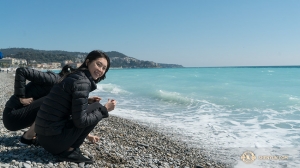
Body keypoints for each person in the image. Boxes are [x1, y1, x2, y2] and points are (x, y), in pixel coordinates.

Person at [35, 50, 117, 164]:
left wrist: (86, 101)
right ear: (88, 62)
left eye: (104, 68)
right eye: (98, 64)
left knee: (93, 106)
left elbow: (64, 103)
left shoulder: (75, 76)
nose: (100, 70)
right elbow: (81, 122)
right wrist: (105, 109)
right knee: (98, 107)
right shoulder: (83, 82)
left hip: (43, 137)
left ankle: (68, 147)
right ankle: (70, 151)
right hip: (54, 142)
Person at [3, 65, 99, 145]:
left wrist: (87, 135)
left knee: (63, 104)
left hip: (19, 116)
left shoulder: (62, 87)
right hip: (12, 116)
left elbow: (75, 110)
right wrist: (21, 97)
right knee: (56, 101)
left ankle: (36, 134)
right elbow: (21, 71)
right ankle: (27, 137)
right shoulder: (53, 79)